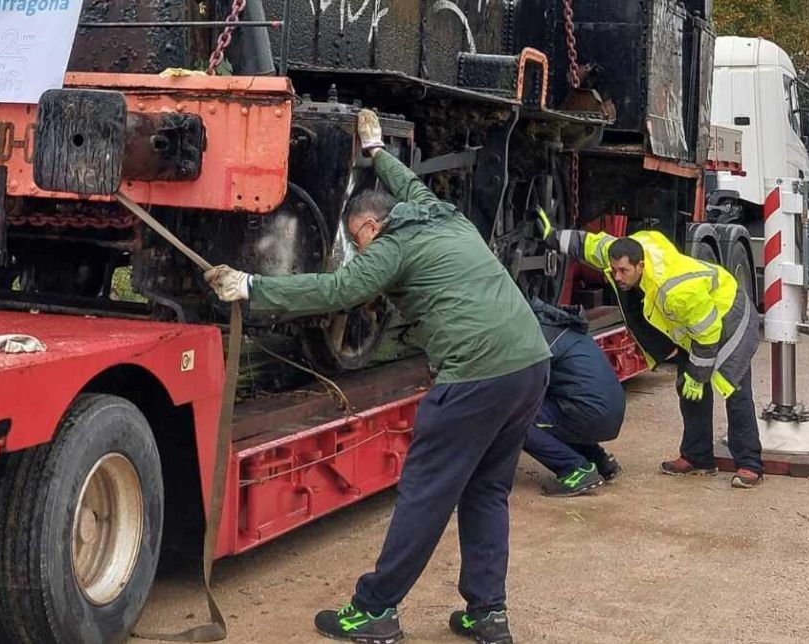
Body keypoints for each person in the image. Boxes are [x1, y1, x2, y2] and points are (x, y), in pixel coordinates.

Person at [206, 110, 551, 644]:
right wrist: (375, 151)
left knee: (424, 494)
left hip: (474, 378)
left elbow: (336, 291)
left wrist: (253, 286)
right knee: (486, 492)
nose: (361, 251)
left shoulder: (392, 247)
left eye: (356, 241)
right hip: (529, 363)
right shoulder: (441, 214)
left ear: (369, 226)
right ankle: (488, 614)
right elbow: (407, 183)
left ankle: (374, 610)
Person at [541, 215, 763, 489]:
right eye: (614, 270)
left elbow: (708, 333)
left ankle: (750, 464)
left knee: (734, 388)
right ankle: (698, 458)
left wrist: (700, 373)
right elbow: (587, 244)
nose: (617, 277)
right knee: (687, 388)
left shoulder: (674, 289)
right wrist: (551, 234)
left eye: (623, 272)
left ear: (641, 265)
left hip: (728, 317)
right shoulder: (622, 255)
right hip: (692, 326)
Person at [523, 298, 626, 497]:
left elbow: (524, 384)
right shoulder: (561, 328)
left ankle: (574, 469)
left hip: (590, 414)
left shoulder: (539, 335)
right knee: (555, 416)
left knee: (517, 419)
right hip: (609, 410)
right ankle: (599, 460)